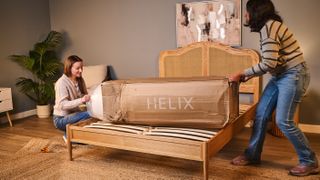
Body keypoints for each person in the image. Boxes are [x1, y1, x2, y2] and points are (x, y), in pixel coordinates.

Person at [229, 0, 318, 177]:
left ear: (255, 12)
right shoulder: (269, 27)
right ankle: (253, 155)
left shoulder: (269, 28)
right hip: (281, 76)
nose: (245, 16)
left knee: (283, 121)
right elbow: (273, 62)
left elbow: (269, 62)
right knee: (261, 114)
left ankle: (309, 161)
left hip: (293, 75)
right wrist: (249, 75)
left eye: (247, 12)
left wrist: (243, 72)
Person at [53, 55, 91, 142]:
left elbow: (84, 96)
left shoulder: (80, 80)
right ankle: (68, 135)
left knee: (94, 112)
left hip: (73, 114)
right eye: (78, 68)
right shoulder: (61, 83)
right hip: (60, 119)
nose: (81, 70)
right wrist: (81, 100)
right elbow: (62, 105)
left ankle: (70, 135)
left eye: (81, 67)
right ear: (69, 68)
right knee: (90, 113)